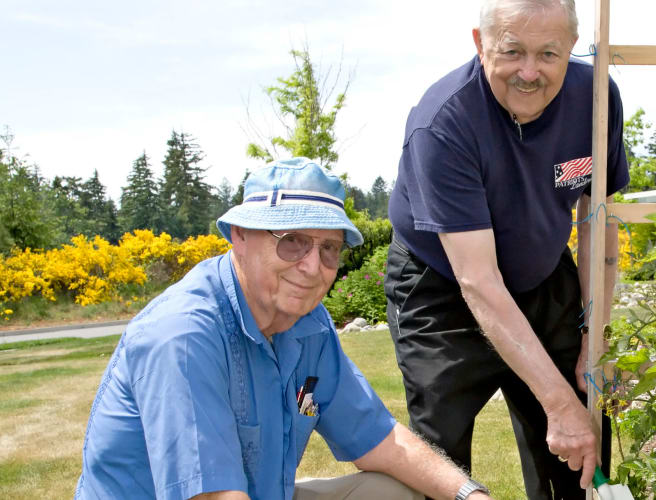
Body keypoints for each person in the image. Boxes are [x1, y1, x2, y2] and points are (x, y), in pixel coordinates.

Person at [75, 158, 492, 500]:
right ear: (239, 235)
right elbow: (214, 497)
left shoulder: (309, 324)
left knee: (392, 493)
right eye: (292, 240)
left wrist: (470, 495)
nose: (312, 267)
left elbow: (382, 441)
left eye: (329, 248)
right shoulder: (183, 335)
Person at [385, 0, 629, 498]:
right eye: (512, 51)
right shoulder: (443, 123)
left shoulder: (595, 98)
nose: (529, 72)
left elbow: (595, 223)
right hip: (443, 287)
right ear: (480, 43)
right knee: (441, 460)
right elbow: (479, 279)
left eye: (548, 54)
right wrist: (558, 404)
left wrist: (593, 332)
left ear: (572, 49)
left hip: (542, 272)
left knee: (579, 452)